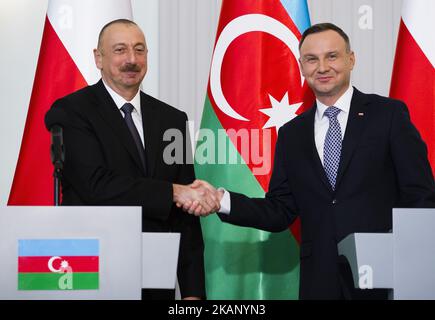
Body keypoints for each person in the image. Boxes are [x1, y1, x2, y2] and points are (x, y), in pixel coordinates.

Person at [183, 23, 435, 299]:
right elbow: (280, 210)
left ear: (351, 59)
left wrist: (412, 262)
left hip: (386, 277)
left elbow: (420, 195)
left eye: (332, 56)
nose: (322, 67)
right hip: (319, 280)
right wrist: (221, 199)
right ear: (302, 67)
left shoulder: (388, 115)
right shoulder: (292, 134)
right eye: (312, 59)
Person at [45, 19, 219, 300]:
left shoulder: (172, 120)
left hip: (155, 279)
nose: (131, 59)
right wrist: (174, 192)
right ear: (98, 58)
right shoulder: (71, 111)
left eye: (139, 50)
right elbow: (96, 186)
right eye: (120, 50)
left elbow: (185, 215)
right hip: (93, 272)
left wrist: (192, 292)